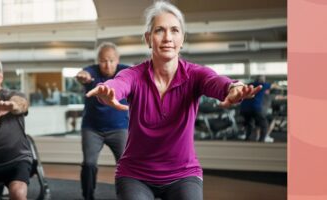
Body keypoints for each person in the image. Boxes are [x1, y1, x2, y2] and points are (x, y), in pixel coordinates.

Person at [86, 2, 261, 200]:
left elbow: (215, 81)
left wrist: (232, 87)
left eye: (174, 30)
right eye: (159, 30)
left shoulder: (195, 74)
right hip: (135, 175)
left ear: (182, 39)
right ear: (148, 39)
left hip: (183, 174)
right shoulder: (134, 75)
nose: (168, 38)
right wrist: (109, 91)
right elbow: (119, 83)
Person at [76, 42, 129, 200]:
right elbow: (84, 74)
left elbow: (138, 74)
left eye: (111, 60)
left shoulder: (124, 71)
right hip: (92, 129)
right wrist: (82, 76)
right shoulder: (92, 71)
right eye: (103, 60)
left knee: (126, 165)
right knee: (89, 164)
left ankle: (126, 195)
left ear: (117, 60)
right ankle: (88, 196)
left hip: (119, 129)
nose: (107, 64)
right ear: (98, 60)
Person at [0, 56, 32, 200]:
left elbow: (22, 103)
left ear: (0, 77)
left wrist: (13, 106)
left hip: (15, 160)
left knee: (18, 193)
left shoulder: (11, 95)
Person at [240, 75, 271, 142]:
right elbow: (271, 85)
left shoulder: (249, 85)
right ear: (262, 80)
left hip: (244, 108)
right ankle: (261, 140)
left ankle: (247, 139)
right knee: (264, 124)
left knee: (249, 124)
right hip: (255, 107)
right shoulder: (263, 85)